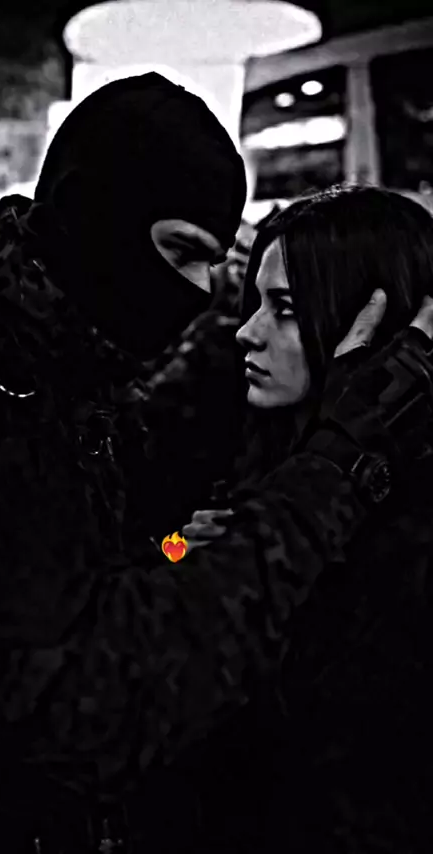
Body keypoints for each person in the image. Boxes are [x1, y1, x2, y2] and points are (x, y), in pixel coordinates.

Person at [0, 68, 432, 853]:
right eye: (181, 251)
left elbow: (127, 565)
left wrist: (176, 551)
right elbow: (87, 684)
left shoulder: (80, 385)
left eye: (283, 308)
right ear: (96, 213)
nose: (224, 314)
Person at [179, 185, 433, 854]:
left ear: (367, 328)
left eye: (286, 310)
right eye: (256, 302)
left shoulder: (405, 523)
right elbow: (174, 546)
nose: (247, 330)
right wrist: (176, 549)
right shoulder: (270, 446)